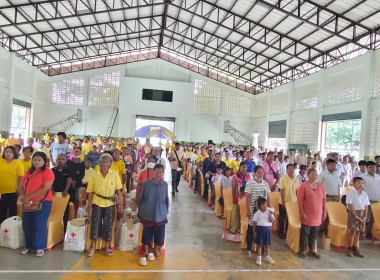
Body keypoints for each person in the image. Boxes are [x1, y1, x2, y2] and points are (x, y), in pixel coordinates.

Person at [86, 153, 123, 257]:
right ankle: (93, 246)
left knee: (108, 225)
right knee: (95, 224)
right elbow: (90, 192)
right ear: (100, 163)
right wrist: (89, 206)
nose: (105, 164)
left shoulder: (114, 174)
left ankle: (107, 247)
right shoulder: (94, 174)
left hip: (110, 203)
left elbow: (118, 191)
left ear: (110, 163)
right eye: (103, 162)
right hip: (97, 202)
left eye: (107, 162)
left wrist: (120, 204)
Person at [18, 152, 54, 257]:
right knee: (27, 224)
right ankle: (29, 246)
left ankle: (40, 247)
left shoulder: (48, 172)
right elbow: (21, 187)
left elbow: (45, 188)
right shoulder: (29, 172)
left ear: (44, 161)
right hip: (27, 203)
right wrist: (23, 198)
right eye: (34, 160)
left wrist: (27, 198)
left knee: (39, 224)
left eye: (39, 160)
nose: (36, 162)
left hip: (43, 202)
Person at [138, 164, 169, 260]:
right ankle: (146, 250)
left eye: (160, 172)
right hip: (148, 212)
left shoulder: (165, 185)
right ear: (153, 172)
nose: (158, 174)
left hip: (161, 213)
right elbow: (142, 197)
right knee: (147, 231)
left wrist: (166, 211)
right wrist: (141, 210)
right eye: (156, 171)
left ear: (163, 173)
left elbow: (166, 199)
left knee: (159, 232)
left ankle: (156, 249)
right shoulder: (147, 183)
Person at [297, 168, 327, 259]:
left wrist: (324, 212)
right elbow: (300, 201)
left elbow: (324, 200)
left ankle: (312, 250)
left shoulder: (321, 186)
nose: (314, 176)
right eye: (312, 174)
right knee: (305, 233)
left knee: (314, 233)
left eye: (315, 174)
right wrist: (302, 212)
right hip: (307, 214)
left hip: (317, 214)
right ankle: (303, 250)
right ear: (308, 175)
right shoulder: (303, 186)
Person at [245, 165, 271, 253]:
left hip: (263, 211)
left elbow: (268, 196)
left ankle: (262, 249)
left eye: (262, 172)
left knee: (262, 228)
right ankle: (249, 248)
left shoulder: (265, 183)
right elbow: (247, 197)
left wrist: (270, 209)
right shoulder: (250, 183)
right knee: (251, 227)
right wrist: (248, 210)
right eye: (259, 172)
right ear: (254, 173)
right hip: (253, 209)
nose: (261, 174)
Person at [346, 177, 369, 258]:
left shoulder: (364, 194)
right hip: (354, 213)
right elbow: (350, 205)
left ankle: (356, 249)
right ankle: (350, 248)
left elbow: (366, 206)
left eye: (362, 183)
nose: (361, 185)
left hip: (362, 213)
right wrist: (355, 215)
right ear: (354, 184)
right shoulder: (350, 193)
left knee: (358, 232)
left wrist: (365, 216)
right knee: (352, 232)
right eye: (358, 183)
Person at [0, 146, 24, 223]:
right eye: (6, 152)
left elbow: (21, 177)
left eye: (10, 152)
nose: (8, 154)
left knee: (12, 212)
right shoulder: (1, 161)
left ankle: (10, 230)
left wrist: (18, 188)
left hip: (13, 191)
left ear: (14, 153)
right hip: (2, 192)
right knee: (2, 212)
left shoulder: (18, 163)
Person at [359, 161, 380, 238]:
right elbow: (359, 189)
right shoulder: (362, 176)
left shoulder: (378, 177)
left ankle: (369, 232)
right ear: (367, 168)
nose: (372, 169)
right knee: (364, 217)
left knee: (373, 218)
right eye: (370, 167)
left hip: (376, 201)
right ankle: (361, 233)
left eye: (374, 167)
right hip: (366, 201)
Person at [278, 164, 300, 239]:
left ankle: (288, 231)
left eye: (292, 169)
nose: (291, 170)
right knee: (282, 217)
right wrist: (283, 201)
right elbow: (281, 190)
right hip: (284, 201)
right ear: (287, 170)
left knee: (290, 217)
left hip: (293, 201)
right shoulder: (283, 178)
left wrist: (298, 200)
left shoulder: (296, 179)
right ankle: (281, 231)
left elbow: (297, 190)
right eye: (289, 169)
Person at [252, 197, 276, 266]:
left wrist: (271, 214)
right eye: (263, 205)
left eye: (266, 204)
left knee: (266, 245)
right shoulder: (257, 213)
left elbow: (271, 220)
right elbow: (254, 223)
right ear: (259, 206)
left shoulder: (268, 212)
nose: (265, 206)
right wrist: (254, 231)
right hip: (259, 230)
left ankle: (267, 256)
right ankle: (259, 257)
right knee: (259, 245)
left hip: (267, 230)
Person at [68, 147, 85, 211]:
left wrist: (76, 180)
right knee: (69, 198)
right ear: (72, 152)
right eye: (75, 151)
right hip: (69, 183)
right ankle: (69, 212)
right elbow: (68, 172)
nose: (76, 153)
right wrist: (71, 180)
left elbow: (82, 174)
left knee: (77, 198)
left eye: (78, 151)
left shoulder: (82, 163)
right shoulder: (69, 162)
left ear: (80, 152)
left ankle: (75, 212)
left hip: (78, 183)